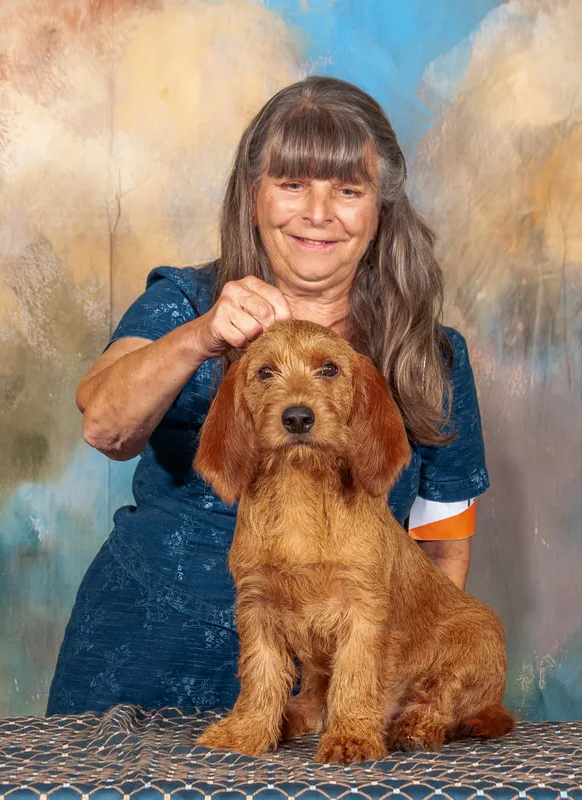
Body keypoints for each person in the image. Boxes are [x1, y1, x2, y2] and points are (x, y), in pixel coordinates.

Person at [46, 76, 489, 716]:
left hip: (328, 695)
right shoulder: (184, 303)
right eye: (291, 184)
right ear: (253, 197)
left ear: (380, 210)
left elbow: (441, 549)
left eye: (347, 189)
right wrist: (200, 338)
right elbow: (105, 425)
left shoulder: (430, 356)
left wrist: (396, 693)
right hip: (143, 663)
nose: (317, 212)